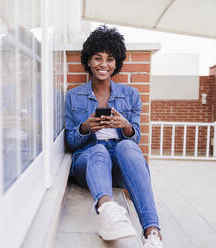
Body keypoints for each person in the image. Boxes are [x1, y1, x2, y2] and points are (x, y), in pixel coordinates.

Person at [65, 25, 164, 248]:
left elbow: (135, 138)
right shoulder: (73, 96)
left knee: (127, 147)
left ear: (116, 63)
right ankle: (107, 210)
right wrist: (85, 128)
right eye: (97, 58)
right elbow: (70, 142)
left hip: (119, 163)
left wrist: (126, 127)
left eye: (110, 59)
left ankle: (152, 232)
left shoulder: (130, 95)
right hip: (89, 161)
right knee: (98, 150)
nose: (103, 64)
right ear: (88, 61)